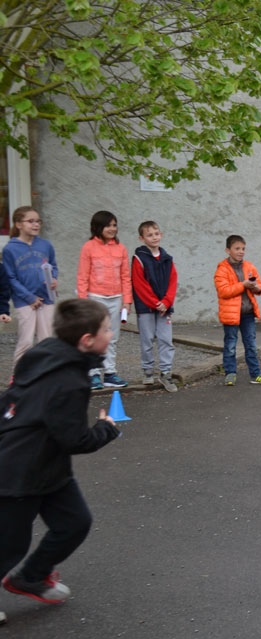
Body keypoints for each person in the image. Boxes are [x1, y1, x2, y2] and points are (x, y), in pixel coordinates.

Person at [0, 299, 120, 609]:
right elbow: (75, 439)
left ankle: (31, 577)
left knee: (74, 523)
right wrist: (106, 428)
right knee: (10, 545)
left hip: (49, 468)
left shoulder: (46, 354)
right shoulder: (69, 381)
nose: (111, 333)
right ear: (86, 341)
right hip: (19, 471)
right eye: (106, 329)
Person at [77, 211, 131, 390]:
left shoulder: (120, 248)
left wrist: (127, 301)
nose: (112, 229)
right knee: (94, 336)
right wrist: (83, 301)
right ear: (98, 227)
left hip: (116, 298)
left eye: (114, 225)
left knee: (111, 337)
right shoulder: (89, 247)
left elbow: (125, 276)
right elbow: (83, 276)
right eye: (108, 225)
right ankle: (93, 374)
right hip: (95, 297)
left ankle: (110, 373)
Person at [214, 235, 261, 386]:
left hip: (247, 313)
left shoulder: (249, 267)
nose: (241, 252)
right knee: (230, 345)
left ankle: (256, 374)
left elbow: (260, 286)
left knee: (251, 345)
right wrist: (243, 285)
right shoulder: (222, 269)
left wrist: (256, 287)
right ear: (228, 250)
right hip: (231, 315)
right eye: (237, 249)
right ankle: (230, 373)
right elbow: (224, 291)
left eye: (243, 249)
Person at [3, 206, 55, 366]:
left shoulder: (46, 245)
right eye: (30, 221)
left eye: (38, 221)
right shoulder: (10, 249)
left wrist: (54, 278)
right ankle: (19, 377)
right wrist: (29, 298)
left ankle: (45, 375)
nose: (35, 225)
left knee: (47, 340)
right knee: (26, 341)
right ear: (18, 224)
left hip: (47, 299)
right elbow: (10, 277)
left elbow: (54, 266)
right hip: (24, 301)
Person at [131, 221, 178, 392]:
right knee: (147, 339)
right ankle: (148, 371)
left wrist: (166, 302)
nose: (154, 237)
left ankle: (166, 373)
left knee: (166, 340)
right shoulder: (139, 258)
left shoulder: (167, 259)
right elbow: (139, 284)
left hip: (165, 308)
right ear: (142, 238)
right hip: (146, 308)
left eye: (156, 233)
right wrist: (154, 303)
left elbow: (173, 281)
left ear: (161, 235)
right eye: (150, 235)